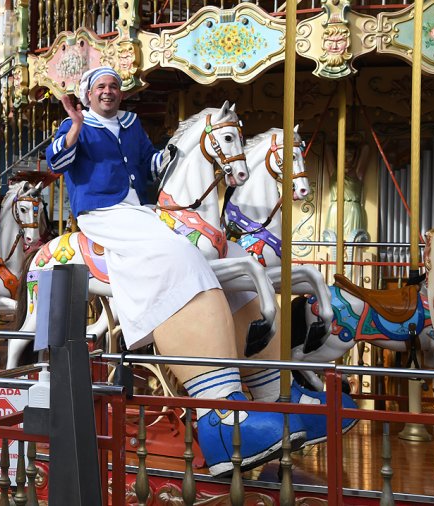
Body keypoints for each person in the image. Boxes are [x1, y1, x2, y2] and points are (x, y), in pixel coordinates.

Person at [46, 66, 307, 476]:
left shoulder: (131, 125)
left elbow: (151, 165)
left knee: (216, 251)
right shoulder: (79, 124)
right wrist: (76, 125)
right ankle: (217, 411)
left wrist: (178, 152)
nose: (109, 91)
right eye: (101, 87)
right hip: (101, 213)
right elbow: (57, 159)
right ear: (88, 94)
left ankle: (272, 390)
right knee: (178, 252)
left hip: (139, 210)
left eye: (114, 86)